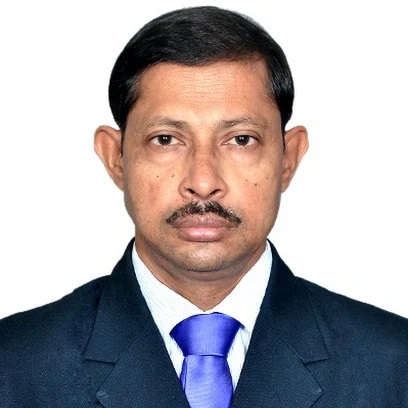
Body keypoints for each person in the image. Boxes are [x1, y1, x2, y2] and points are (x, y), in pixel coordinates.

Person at [1, 5, 407, 407]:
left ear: (288, 158)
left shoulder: (394, 365)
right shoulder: (14, 366)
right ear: (115, 158)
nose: (203, 181)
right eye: (165, 139)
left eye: (241, 140)